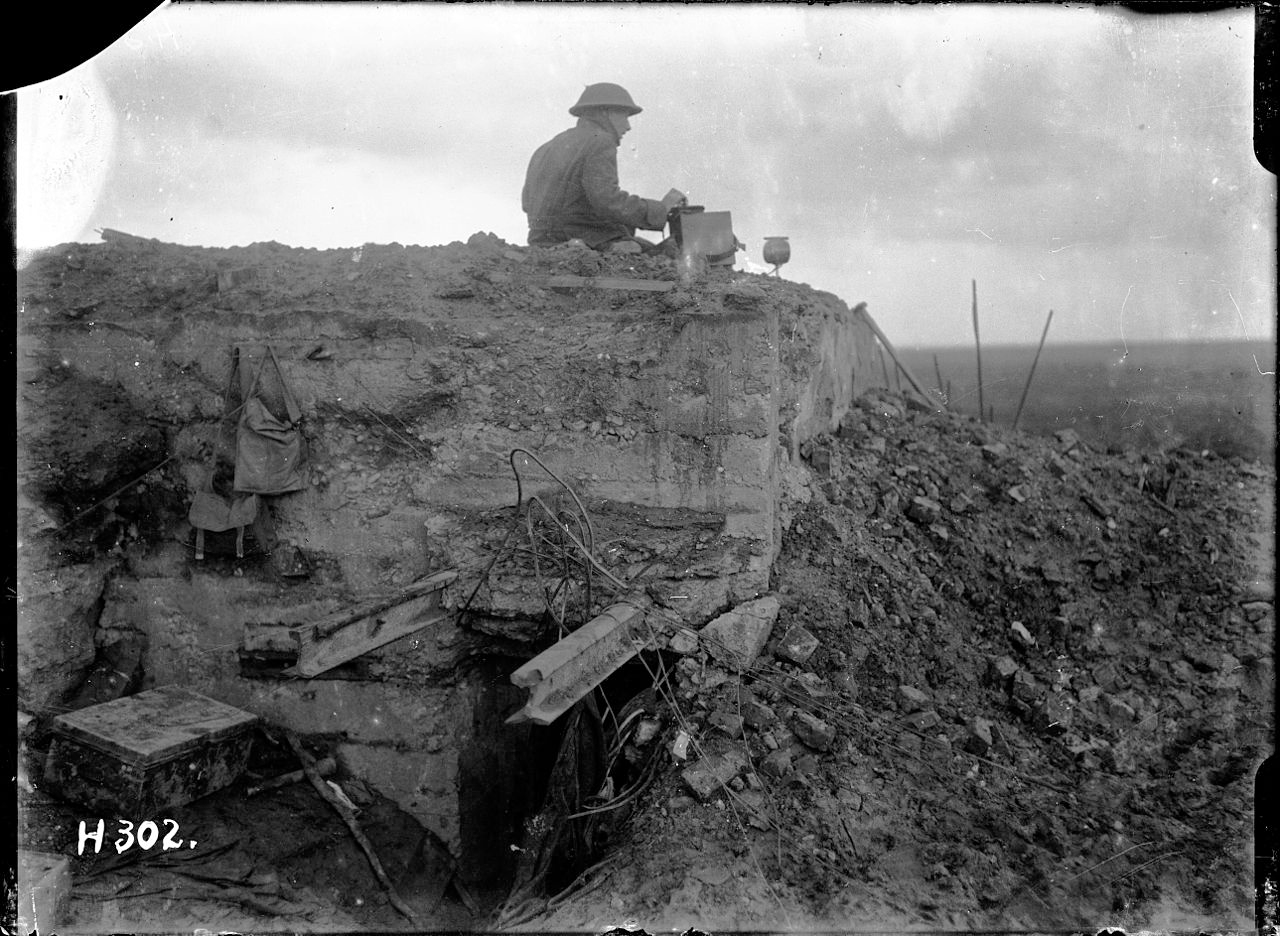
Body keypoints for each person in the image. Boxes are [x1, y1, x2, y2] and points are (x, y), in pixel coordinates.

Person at [522, 82, 686, 252]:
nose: (628, 126)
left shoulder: (545, 148)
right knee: (666, 254)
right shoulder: (600, 141)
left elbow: (527, 204)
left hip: (540, 243)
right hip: (580, 241)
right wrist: (660, 209)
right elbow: (606, 200)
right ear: (606, 113)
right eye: (624, 116)